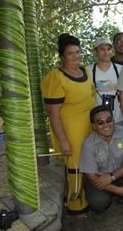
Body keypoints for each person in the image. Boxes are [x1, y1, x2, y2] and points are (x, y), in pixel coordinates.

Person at [41, 33, 95, 217]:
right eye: (71, 53)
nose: (76, 56)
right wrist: (63, 140)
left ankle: (82, 196)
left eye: (78, 52)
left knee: (89, 162)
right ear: (62, 56)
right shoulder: (56, 77)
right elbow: (53, 112)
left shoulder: (85, 72)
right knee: (75, 165)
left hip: (89, 126)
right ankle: (76, 205)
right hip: (71, 128)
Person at [79, 105, 123, 226]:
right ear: (93, 126)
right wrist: (119, 191)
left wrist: (111, 177)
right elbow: (92, 177)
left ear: (114, 121)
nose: (106, 125)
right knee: (99, 201)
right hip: (98, 180)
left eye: (109, 120)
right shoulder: (88, 144)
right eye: (100, 123)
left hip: (118, 175)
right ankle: (99, 210)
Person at [86, 37, 123, 124]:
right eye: (102, 49)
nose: (106, 52)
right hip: (99, 122)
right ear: (95, 52)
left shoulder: (121, 69)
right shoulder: (87, 71)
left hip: (119, 119)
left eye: (108, 49)